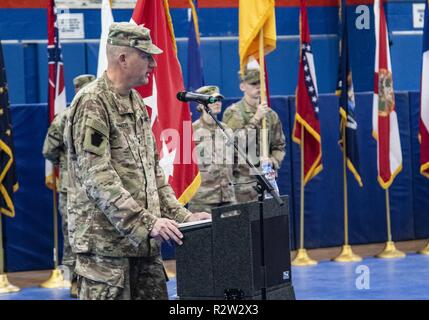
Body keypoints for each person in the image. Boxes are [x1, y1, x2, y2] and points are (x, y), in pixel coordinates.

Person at [64, 22, 210, 300]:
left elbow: (154, 175)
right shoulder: (93, 102)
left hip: (143, 246)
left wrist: (184, 217)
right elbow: (97, 177)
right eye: (146, 56)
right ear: (122, 58)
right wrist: (147, 222)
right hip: (106, 252)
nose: (154, 64)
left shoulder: (137, 104)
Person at [42, 73, 95, 298]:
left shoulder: (96, 115)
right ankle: (74, 280)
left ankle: (90, 280)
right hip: (73, 189)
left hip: (94, 188)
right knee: (73, 234)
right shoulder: (64, 119)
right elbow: (48, 150)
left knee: (89, 235)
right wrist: (65, 165)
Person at [222, 67, 286, 203]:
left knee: (269, 221)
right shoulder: (233, 112)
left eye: (259, 84)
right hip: (243, 183)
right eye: (253, 84)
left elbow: (279, 146)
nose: (257, 87)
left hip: (267, 180)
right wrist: (255, 119)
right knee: (247, 223)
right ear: (242, 86)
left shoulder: (270, 115)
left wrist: (272, 161)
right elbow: (230, 145)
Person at [188, 85, 236, 213]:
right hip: (202, 201)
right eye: (212, 100)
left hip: (228, 198)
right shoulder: (191, 131)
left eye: (219, 100)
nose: (217, 103)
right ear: (200, 105)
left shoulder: (227, 130)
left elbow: (235, 161)